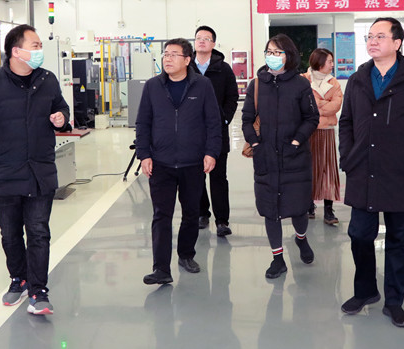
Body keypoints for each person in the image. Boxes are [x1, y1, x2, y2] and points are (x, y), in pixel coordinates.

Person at [0, 24, 70, 316]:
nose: (39, 50)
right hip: (6, 171)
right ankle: (18, 279)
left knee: (38, 232)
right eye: (35, 45)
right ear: (16, 51)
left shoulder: (47, 80)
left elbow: (62, 108)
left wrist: (62, 118)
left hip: (40, 171)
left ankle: (38, 291)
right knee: (10, 234)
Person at [338, 17, 404, 328]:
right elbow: (346, 122)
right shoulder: (358, 79)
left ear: (397, 43)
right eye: (370, 36)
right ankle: (365, 291)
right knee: (359, 234)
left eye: (380, 36)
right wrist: (347, 157)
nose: (372, 41)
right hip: (362, 169)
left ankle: (394, 301)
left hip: (400, 173)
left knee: (398, 238)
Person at [136, 38, 222, 285]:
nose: (168, 58)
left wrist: (211, 152)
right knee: (161, 215)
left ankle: (186, 255)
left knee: (191, 213)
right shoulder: (153, 86)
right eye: (165, 54)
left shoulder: (202, 85)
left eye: (174, 54)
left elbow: (213, 122)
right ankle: (161, 268)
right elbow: (143, 123)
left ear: (187, 60)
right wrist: (144, 154)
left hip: (192, 162)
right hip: (160, 163)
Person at [242, 34, 320, 279]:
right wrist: (256, 144)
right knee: (270, 210)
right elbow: (246, 119)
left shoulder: (300, 84)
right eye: (269, 52)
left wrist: (296, 141)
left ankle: (301, 238)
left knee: (298, 208)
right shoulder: (256, 84)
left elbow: (311, 117)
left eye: (278, 52)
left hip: (295, 157)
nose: (272, 56)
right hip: (265, 157)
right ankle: (277, 258)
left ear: (289, 55)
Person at [190, 25, 240, 237]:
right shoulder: (186, 67)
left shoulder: (224, 69)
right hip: (191, 132)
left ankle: (222, 220)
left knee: (218, 177)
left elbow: (232, 97)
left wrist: (224, 119)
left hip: (216, 131)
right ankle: (202, 213)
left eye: (206, 38)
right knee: (196, 176)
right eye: (198, 38)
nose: (202, 41)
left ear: (213, 44)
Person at [302, 48, 344, 226]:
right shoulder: (303, 80)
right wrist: (324, 103)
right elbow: (304, 104)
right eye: (329, 61)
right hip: (307, 130)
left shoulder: (334, 82)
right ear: (319, 62)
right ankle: (308, 205)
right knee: (308, 168)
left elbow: (336, 105)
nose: (332, 65)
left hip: (326, 131)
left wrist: (316, 105)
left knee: (328, 170)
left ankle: (328, 209)